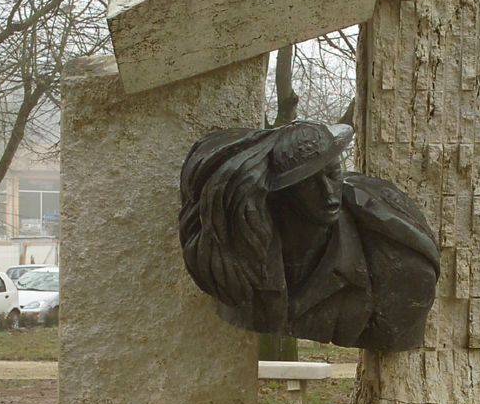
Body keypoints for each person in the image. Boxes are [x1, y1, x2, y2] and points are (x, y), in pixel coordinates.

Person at [179, 120, 440, 351]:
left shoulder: (400, 265)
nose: (328, 193)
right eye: (309, 183)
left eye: (332, 174)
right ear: (281, 193)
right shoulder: (241, 256)